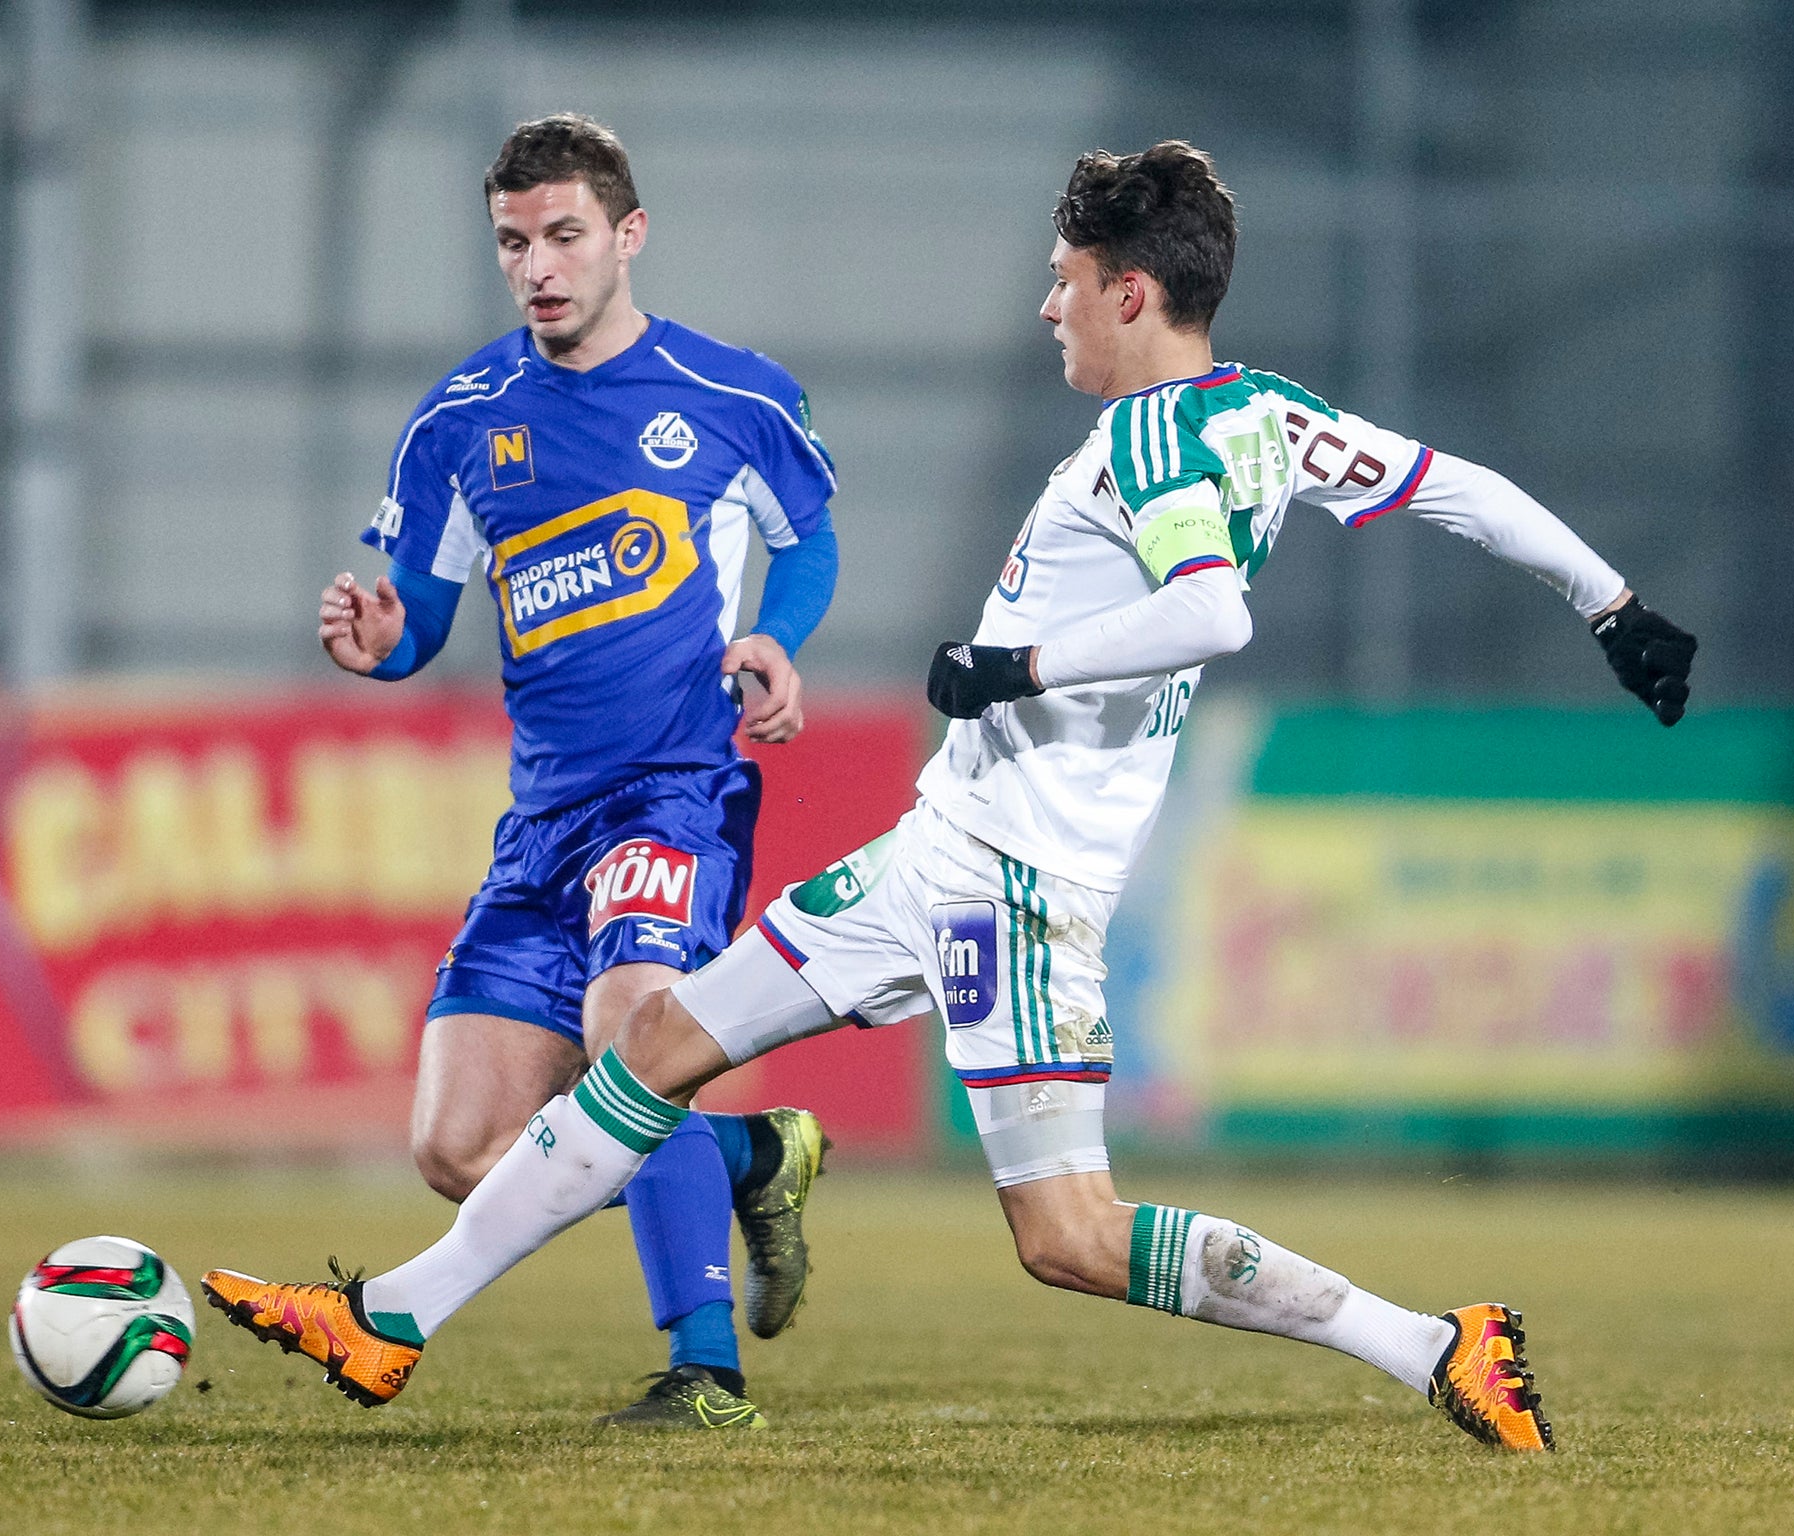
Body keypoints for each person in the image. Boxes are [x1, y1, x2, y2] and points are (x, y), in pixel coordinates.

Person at [203, 141, 1699, 1452]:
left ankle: (1436, 1346)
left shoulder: (1154, 436)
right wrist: (1609, 600)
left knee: (1067, 1239)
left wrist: (1012, 664)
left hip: (1019, 891)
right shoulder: (1269, 415)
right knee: (655, 1042)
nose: (1047, 304)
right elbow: (1456, 484)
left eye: (1064, 278)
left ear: (1129, 293)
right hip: (939, 852)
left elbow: (1210, 613)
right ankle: (388, 1319)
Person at [207, 115, 839, 1429]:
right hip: (540, 826)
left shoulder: (731, 395)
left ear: (628, 234)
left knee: (635, 1041)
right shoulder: (457, 423)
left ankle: (704, 1370)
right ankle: (745, 1154)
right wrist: (382, 646)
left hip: (674, 792)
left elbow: (809, 540)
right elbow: (423, 618)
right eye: (513, 242)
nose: (537, 266)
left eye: (562, 236)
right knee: (456, 1151)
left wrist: (776, 637)